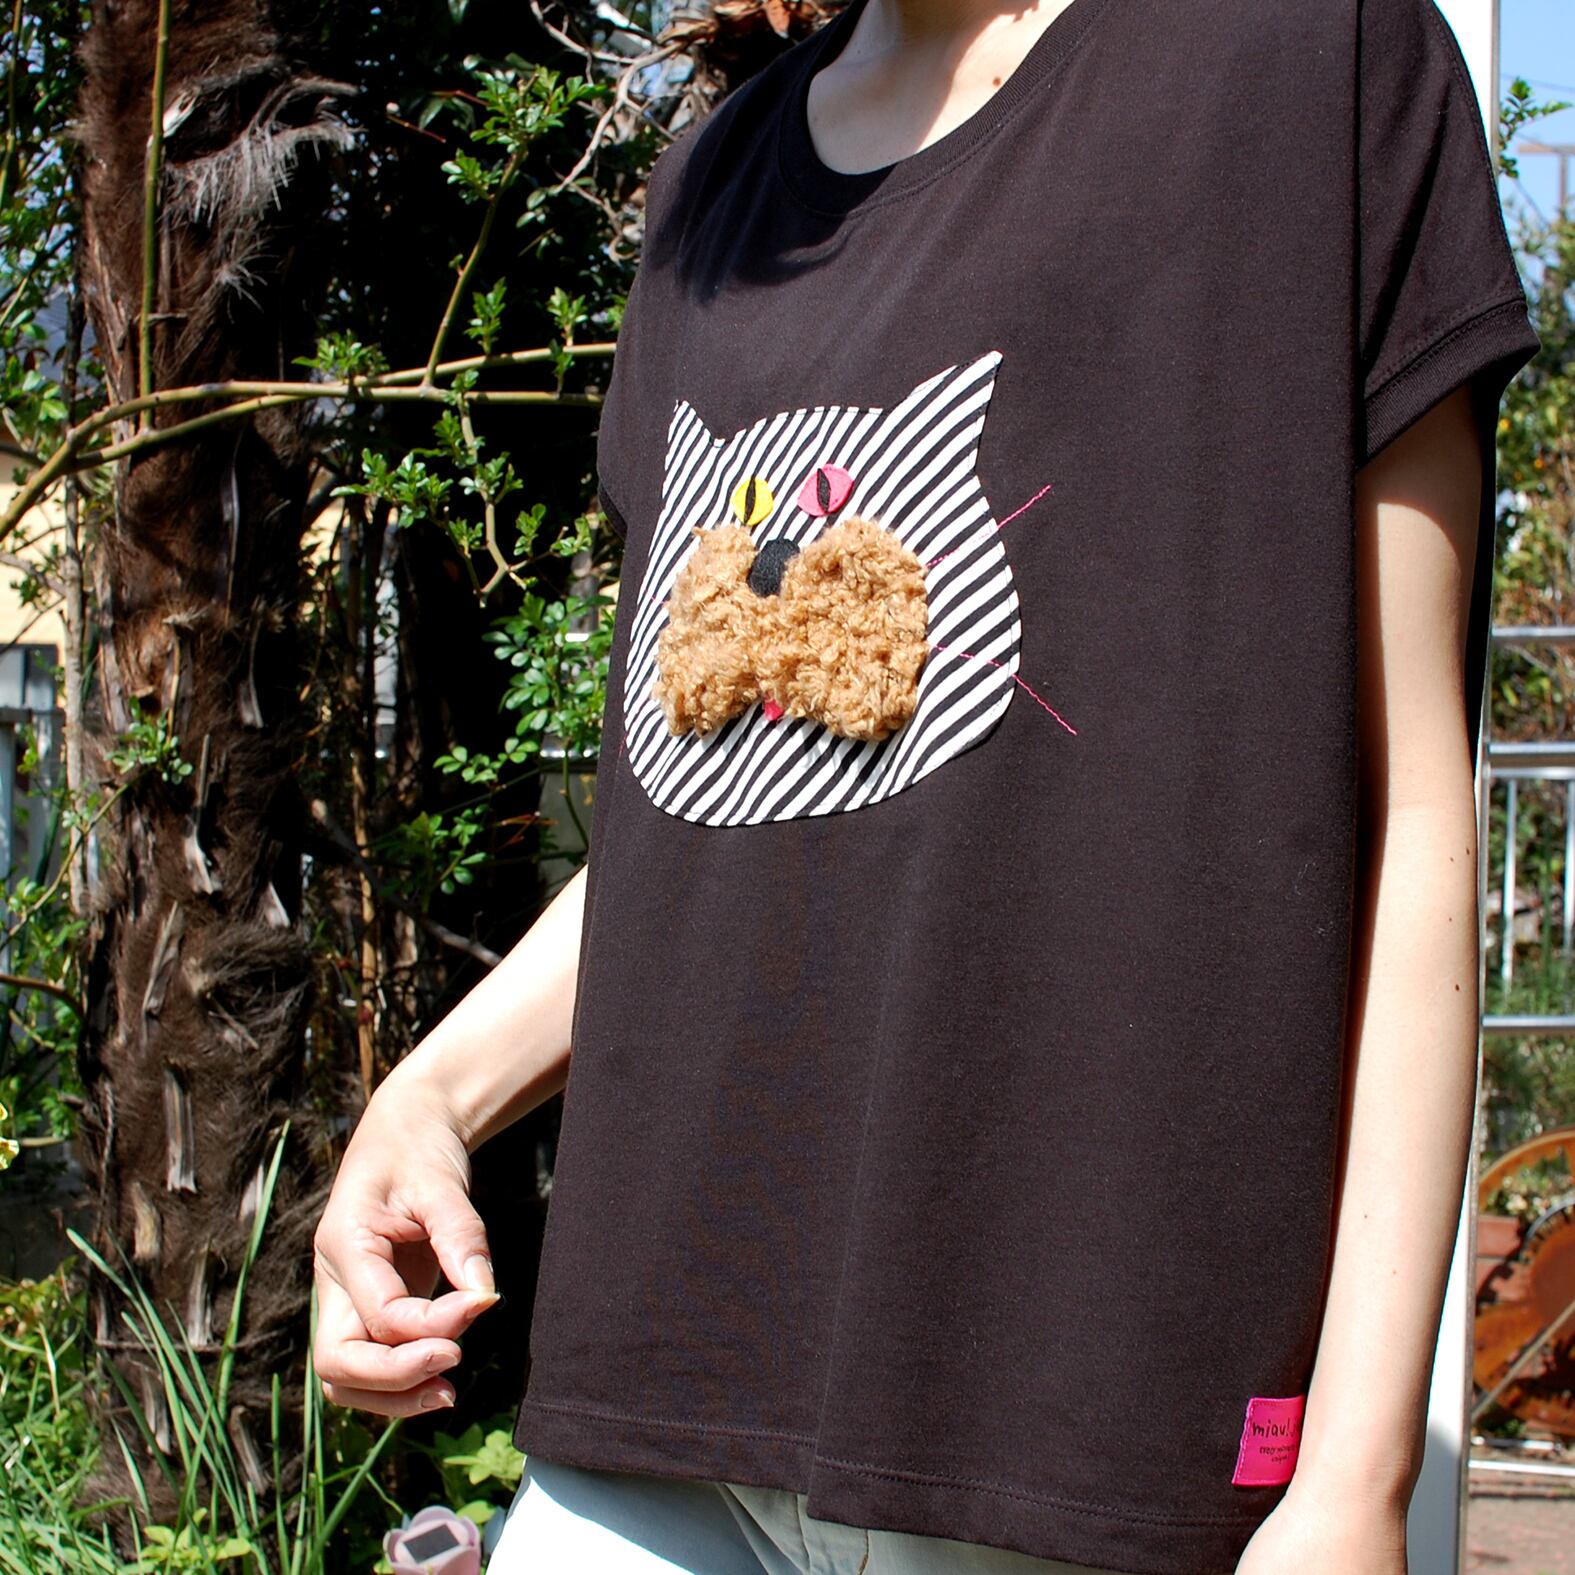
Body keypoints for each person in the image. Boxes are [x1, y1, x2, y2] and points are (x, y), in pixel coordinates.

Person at [311, 0, 1543, 1570]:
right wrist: (430, 1098)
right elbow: (701, 813)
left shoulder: (1307, 58)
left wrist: (1357, 1482)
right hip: (653, 1430)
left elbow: (1412, 811)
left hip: (1070, 1455)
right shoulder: (715, 190)